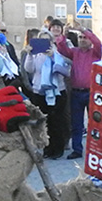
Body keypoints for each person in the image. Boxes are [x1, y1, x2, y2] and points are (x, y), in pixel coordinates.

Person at [53, 26, 102, 159]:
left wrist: (83, 30)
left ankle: (95, 149)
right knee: (76, 123)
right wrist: (65, 33)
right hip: (76, 92)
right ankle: (77, 149)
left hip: (92, 92)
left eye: (85, 38)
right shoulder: (74, 52)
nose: (82, 40)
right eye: (80, 37)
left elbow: (98, 43)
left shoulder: (95, 52)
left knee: (95, 123)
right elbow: (61, 48)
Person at [23, 31, 69, 159]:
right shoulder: (36, 55)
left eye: (46, 40)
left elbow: (62, 69)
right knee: (44, 121)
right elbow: (29, 69)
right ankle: (47, 148)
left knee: (56, 121)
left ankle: (58, 148)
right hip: (40, 91)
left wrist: (53, 56)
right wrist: (30, 55)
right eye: (41, 40)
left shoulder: (57, 53)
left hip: (56, 91)